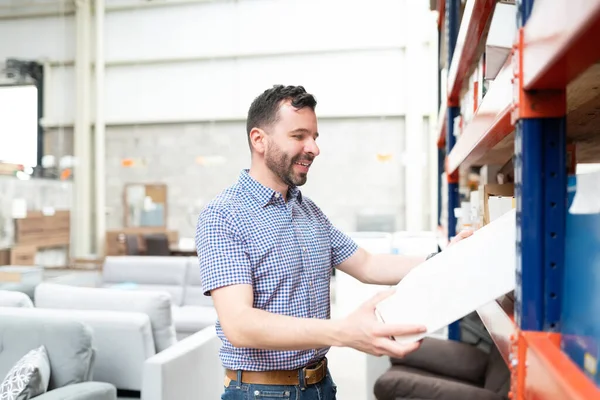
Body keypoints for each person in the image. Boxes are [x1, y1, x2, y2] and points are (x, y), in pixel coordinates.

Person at [195, 85, 471, 399]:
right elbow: (240, 325)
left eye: (314, 136)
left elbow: (367, 264)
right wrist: (345, 332)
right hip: (260, 392)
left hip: (320, 385)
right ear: (259, 140)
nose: (313, 148)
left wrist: (445, 258)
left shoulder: (307, 210)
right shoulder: (224, 215)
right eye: (299, 136)